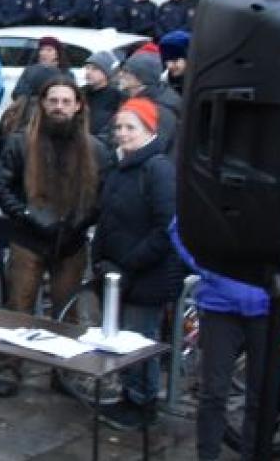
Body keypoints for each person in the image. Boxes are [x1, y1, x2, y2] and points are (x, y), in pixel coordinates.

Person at [0, 75, 109, 397]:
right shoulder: (20, 142)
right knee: (19, 307)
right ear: (43, 103)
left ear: (78, 105)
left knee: (66, 311)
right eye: (53, 100)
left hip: (71, 242)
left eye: (66, 101)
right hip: (28, 239)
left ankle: (63, 372)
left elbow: (102, 195)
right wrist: (26, 215)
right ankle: (9, 368)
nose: (59, 107)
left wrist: (81, 222)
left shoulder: (95, 149)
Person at [91, 97, 184, 430]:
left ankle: (142, 404)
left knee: (139, 340)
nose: (122, 133)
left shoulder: (158, 169)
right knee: (126, 339)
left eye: (131, 127)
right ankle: (131, 396)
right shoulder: (122, 166)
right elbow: (108, 217)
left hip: (147, 275)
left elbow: (166, 228)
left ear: (149, 130)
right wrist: (99, 257)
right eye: (118, 127)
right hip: (120, 273)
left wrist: (129, 264)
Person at [170, 221, 269, 461]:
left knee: (263, 396)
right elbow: (178, 226)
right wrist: (207, 269)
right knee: (213, 392)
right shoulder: (215, 183)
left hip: (269, 306)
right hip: (220, 306)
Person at [117, 52, 181, 148]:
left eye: (126, 71)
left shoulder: (162, 109)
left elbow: (156, 147)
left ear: (141, 78)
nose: (120, 74)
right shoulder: (131, 97)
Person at [81, 50, 123, 142]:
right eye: (87, 68)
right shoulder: (80, 93)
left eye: (95, 69)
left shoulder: (116, 97)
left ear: (106, 73)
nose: (89, 72)